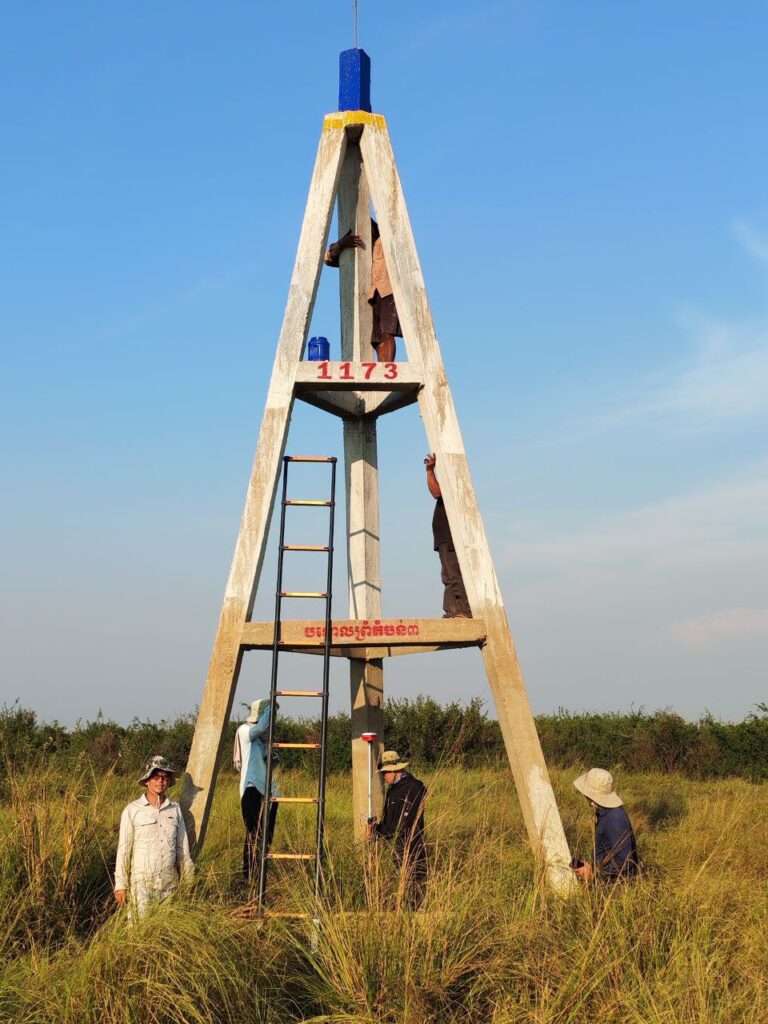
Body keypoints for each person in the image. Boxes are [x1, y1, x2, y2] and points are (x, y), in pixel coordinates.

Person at [114, 755, 193, 919]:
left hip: (169, 885)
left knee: (166, 928)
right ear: (147, 780)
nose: (160, 781)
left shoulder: (175, 809)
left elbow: (182, 849)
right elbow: (123, 851)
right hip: (141, 886)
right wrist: (120, 885)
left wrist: (188, 881)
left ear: (169, 781)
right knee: (139, 930)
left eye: (164, 777)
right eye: (155, 777)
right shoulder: (132, 810)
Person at [324, 219, 401, 362]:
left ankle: (388, 369)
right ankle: (382, 370)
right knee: (377, 340)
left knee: (387, 332)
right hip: (373, 294)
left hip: (388, 291)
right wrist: (341, 244)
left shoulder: (384, 240)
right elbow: (328, 259)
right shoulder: (358, 249)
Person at [367, 749, 427, 909]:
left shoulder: (414, 788)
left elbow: (403, 824)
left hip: (411, 845)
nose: (383, 776)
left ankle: (415, 912)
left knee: (414, 884)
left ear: (395, 770)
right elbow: (389, 821)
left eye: (385, 772)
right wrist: (375, 829)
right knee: (400, 885)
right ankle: (402, 910)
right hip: (396, 846)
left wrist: (378, 832)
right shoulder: (393, 790)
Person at [233, 698, 279, 882]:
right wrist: (272, 707)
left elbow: (270, 761)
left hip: (269, 791)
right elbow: (259, 728)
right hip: (251, 788)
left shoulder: (263, 739)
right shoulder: (245, 730)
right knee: (253, 834)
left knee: (266, 835)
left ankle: (260, 872)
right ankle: (249, 875)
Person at [571, 768, 642, 883]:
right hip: (606, 878)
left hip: (615, 884)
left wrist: (594, 872)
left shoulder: (614, 818)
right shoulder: (604, 811)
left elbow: (625, 861)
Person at [424, 453, 472, 618]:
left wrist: (430, 471)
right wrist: (430, 471)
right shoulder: (449, 489)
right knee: (448, 575)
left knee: (454, 574)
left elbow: (436, 492)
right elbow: (436, 492)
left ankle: (463, 610)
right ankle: (453, 611)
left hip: (450, 537)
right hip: (444, 537)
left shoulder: (455, 487)